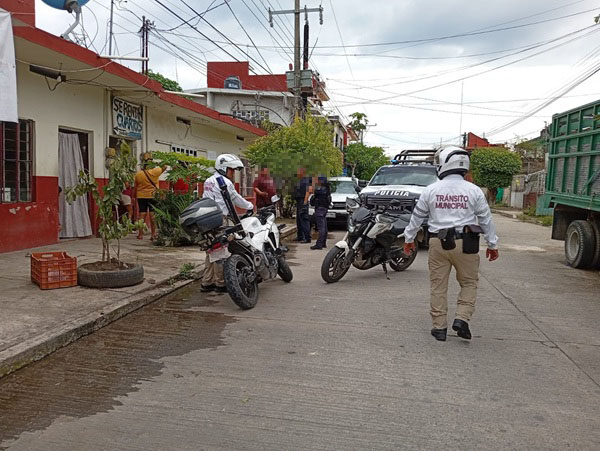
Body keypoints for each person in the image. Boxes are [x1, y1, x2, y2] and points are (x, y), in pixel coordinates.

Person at [403, 146, 499, 342]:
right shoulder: (474, 190)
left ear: (444, 164)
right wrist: (492, 244)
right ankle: (462, 319)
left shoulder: (431, 190)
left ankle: (439, 328)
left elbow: (417, 217)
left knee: (438, 286)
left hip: (438, 243)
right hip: (467, 244)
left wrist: (409, 239)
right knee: (469, 283)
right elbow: (485, 219)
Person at [201, 154, 254, 293]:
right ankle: (220, 283)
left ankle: (207, 282)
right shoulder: (225, 182)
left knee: (211, 250)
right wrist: (250, 206)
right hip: (220, 219)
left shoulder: (208, 180)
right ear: (223, 168)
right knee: (221, 251)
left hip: (207, 219)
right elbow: (236, 198)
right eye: (231, 170)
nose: (233, 173)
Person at [134, 153, 166, 241]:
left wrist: (134, 196)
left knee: (142, 214)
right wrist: (157, 164)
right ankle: (153, 234)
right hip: (153, 196)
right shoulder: (155, 172)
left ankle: (140, 234)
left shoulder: (138, 174)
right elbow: (164, 166)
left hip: (141, 196)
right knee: (153, 215)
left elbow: (135, 187)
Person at [311, 176, 331, 250]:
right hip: (324, 208)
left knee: (321, 227)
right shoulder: (327, 188)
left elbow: (315, 194)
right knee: (324, 226)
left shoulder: (320, 189)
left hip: (320, 208)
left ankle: (319, 244)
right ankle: (323, 243)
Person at [293, 167, 312, 243]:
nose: (297, 173)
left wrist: (305, 203)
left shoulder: (306, 180)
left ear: (302, 172)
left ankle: (307, 237)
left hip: (303, 201)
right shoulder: (299, 180)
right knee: (299, 220)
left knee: (304, 219)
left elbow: (308, 192)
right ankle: (300, 236)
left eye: (298, 171)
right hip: (299, 201)